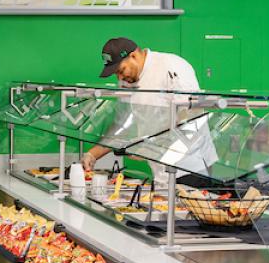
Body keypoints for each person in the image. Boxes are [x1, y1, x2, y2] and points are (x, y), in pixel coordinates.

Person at [81, 37, 215, 177]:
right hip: (160, 171)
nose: (119, 78)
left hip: (189, 167)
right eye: (116, 74)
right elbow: (121, 127)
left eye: (121, 70)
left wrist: (150, 148)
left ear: (133, 55)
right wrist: (92, 154)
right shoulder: (126, 82)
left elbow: (191, 121)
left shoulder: (171, 67)